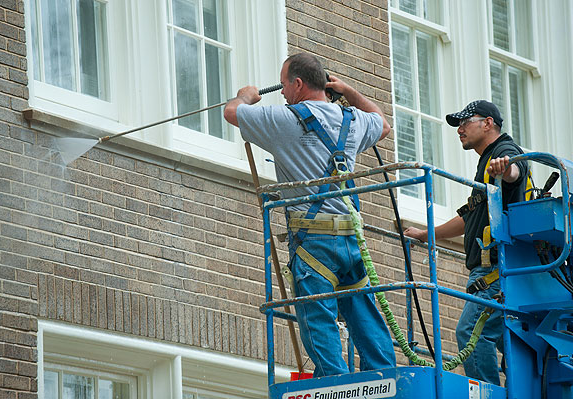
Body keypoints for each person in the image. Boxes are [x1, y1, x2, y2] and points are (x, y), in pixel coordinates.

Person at [224, 52, 396, 376]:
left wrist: (246, 96)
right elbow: (383, 123)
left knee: (318, 324)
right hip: (350, 239)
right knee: (364, 317)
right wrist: (347, 90)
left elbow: (232, 113)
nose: (284, 94)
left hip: (313, 241)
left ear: (298, 84)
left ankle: (337, 388)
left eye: (286, 86)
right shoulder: (352, 120)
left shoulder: (286, 120)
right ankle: (386, 383)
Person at [404, 100, 529, 385]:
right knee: (507, 340)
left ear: (488, 123)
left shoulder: (502, 152)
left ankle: (487, 394)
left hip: (497, 271)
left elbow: (514, 173)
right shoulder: (485, 164)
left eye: (465, 122)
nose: (459, 129)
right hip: (494, 272)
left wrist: (505, 169)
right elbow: (470, 216)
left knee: (472, 334)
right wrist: (426, 235)